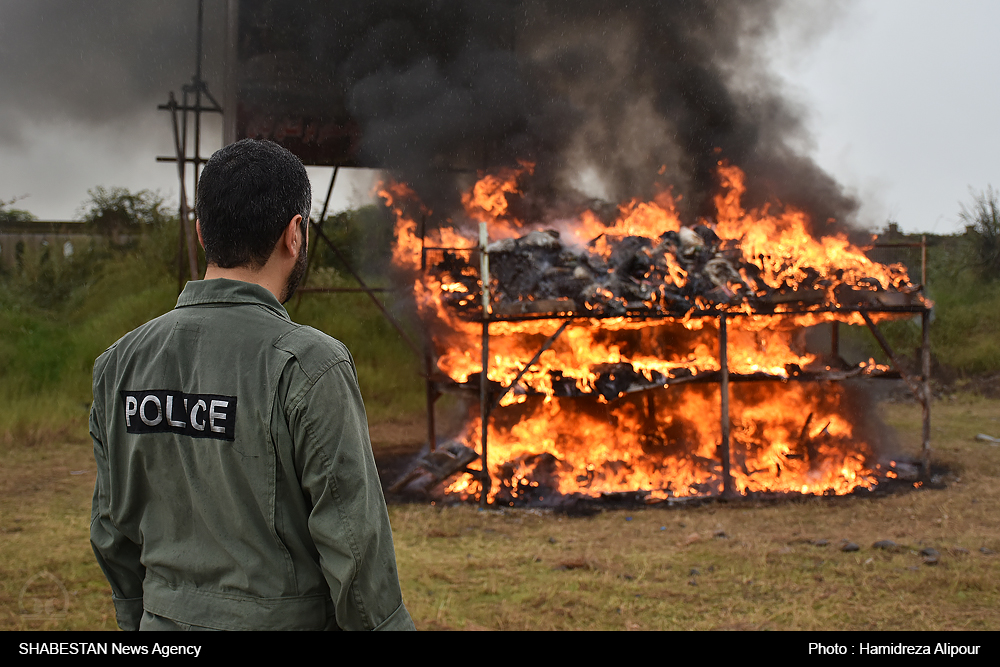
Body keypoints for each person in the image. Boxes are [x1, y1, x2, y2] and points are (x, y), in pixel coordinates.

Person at [89, 139, 414, 631]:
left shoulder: (121, 363)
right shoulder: (309, 364)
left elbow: (112, 529)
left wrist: (144, 622)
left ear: (201, 231)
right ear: (294, 234)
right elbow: (355, 550)